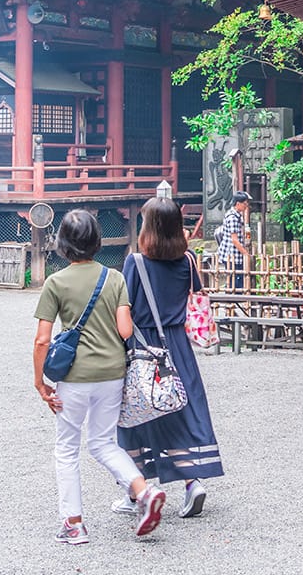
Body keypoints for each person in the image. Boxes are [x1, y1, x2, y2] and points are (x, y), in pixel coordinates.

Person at [32, 208, 166, 545]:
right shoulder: (115, 277)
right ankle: (143, 491)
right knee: (104, 442)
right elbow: (124, 330)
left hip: (73, 378)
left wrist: (40, 382)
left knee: (66, 449)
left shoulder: (55, 283)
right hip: (112, 374)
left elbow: (42, 339)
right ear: (97, 241)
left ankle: (74, 524)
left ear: (62, 244)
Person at [116, 197, 225, 520]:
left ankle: (134, 491)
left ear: (147, 227)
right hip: (177, 345)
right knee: (180, 411)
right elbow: (194, 296)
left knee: (137, 413)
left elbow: (127, 308)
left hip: (143, 347)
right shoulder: (188, 261)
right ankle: (193, 482)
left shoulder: (134, 263)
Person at [215, 191, 251, 291]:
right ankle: (233, 302)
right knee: (235, 280)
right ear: (238, 204)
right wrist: (245, 254)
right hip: (232, 254)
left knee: (235, 279)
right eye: (244, 204)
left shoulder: (237, 215)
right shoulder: (232, 218)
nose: (246, 206)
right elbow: (234, 240)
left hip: (234, 254)